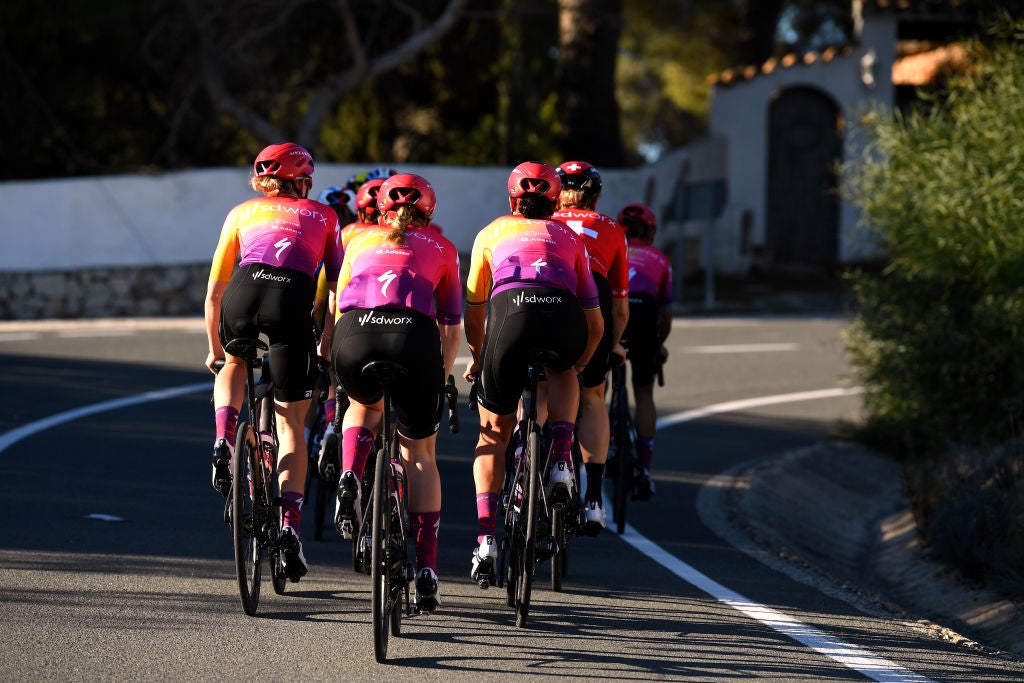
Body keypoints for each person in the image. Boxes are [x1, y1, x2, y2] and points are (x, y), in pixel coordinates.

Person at [205, 142, 341, 582]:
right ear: (299, 181)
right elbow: (336, 291)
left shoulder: (240, 212)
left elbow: (213, 292)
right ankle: (289, 529)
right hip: (290, 298)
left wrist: (214, 349)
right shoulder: (325, 216)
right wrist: (326, 345)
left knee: (234, 364)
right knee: (290, 426)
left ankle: (224, 437)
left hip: (243, 292)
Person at [463, 161, 603, 587]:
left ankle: (486, 538)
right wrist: (579, 364)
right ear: (555, 202)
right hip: (562, 318)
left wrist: (479, 356)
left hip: (509, 317)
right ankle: (561, 457)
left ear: (513, 200)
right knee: (563, 370)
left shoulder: (490, 233)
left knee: (493, 434)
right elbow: (595, 323)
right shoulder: (571, 237)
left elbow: (474, 311)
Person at [329, 173, 462, 613]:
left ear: (381, 209)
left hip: (355, 335)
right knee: (420, 453)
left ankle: (351, 472)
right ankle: (427, 569)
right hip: (413, 338)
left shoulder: (357, 240)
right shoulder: (443, 248)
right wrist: (441, 376)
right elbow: (451, 326)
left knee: (362, 404)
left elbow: (336, 306)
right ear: (429, 211)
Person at [552, 160, 629, 535]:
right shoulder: (612, 228)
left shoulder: (544, 222)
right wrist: (613, 343)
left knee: (544, 388)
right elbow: (620, 306)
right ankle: (595, 500)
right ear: (595, 198)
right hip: (593, 302)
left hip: (549, 296)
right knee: (593, 397)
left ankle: (541, 466)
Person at [617, 203, 672, 500]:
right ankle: (645, 469)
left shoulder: (612, 249)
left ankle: (602, 447)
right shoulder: (661, 259)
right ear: (651, 232)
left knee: (593, 391)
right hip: (645, 317)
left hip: (615, 313)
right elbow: (666, 316)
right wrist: (658, 344)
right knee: (644, 393)